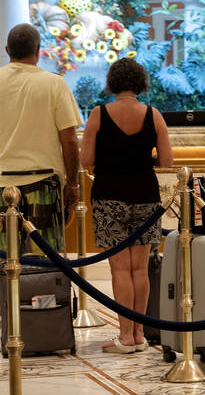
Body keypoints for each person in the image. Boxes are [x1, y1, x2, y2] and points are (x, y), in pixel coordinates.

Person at [79, 58, 172, 353]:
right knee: (140, 269)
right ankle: (140, 334)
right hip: (146, 195)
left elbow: (86, 160)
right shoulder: (153, 114)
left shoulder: (98, 114)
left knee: (120, 269)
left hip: (109, 195)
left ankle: (125, 336)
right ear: (140, 83)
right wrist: (145, 158)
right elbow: (168, 161)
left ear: (113, 82)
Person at [0, 24, 81, 254]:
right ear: (38, 51)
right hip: (43, 180)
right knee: (47, 258)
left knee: (3, 259)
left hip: (1, 181)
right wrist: (73, 183)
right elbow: (69, 140)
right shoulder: (54, 83)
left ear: (8, 50)